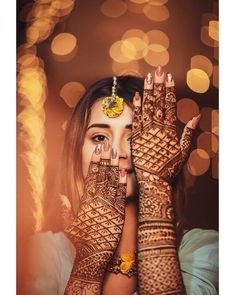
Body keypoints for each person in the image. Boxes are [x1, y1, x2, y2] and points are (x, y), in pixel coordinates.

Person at [26, 66, 218, 295]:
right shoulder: (36, 254)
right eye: (99, 137)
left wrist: (155, 193)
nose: (117, 151)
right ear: (76, 154)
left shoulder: (203, 250)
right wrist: (89, 263)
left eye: (136, 136)